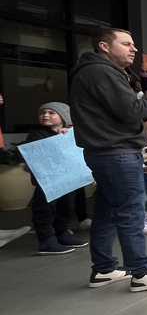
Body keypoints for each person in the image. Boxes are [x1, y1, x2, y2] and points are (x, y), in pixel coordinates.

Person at [69, 27, 147, 291]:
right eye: (126, 43)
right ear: (104, 46)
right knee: (130, 212)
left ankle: (104, 269)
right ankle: (142, 272)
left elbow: (119, 110)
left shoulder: (95, 71)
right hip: (116, 152)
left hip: (106, 152)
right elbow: (131, 111)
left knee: (107, 212)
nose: (134, 49)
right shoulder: (101, 71)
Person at [26, 102, 88, 255]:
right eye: (43, 113)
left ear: (64, 118)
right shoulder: (37, 133)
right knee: (45, 209)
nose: (46, 115)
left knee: (67, 205)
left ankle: (62, 232)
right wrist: (60, 138)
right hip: (47, 182)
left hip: (68, 179)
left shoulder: (71, 133)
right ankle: (46, 239)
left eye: (51, 113)